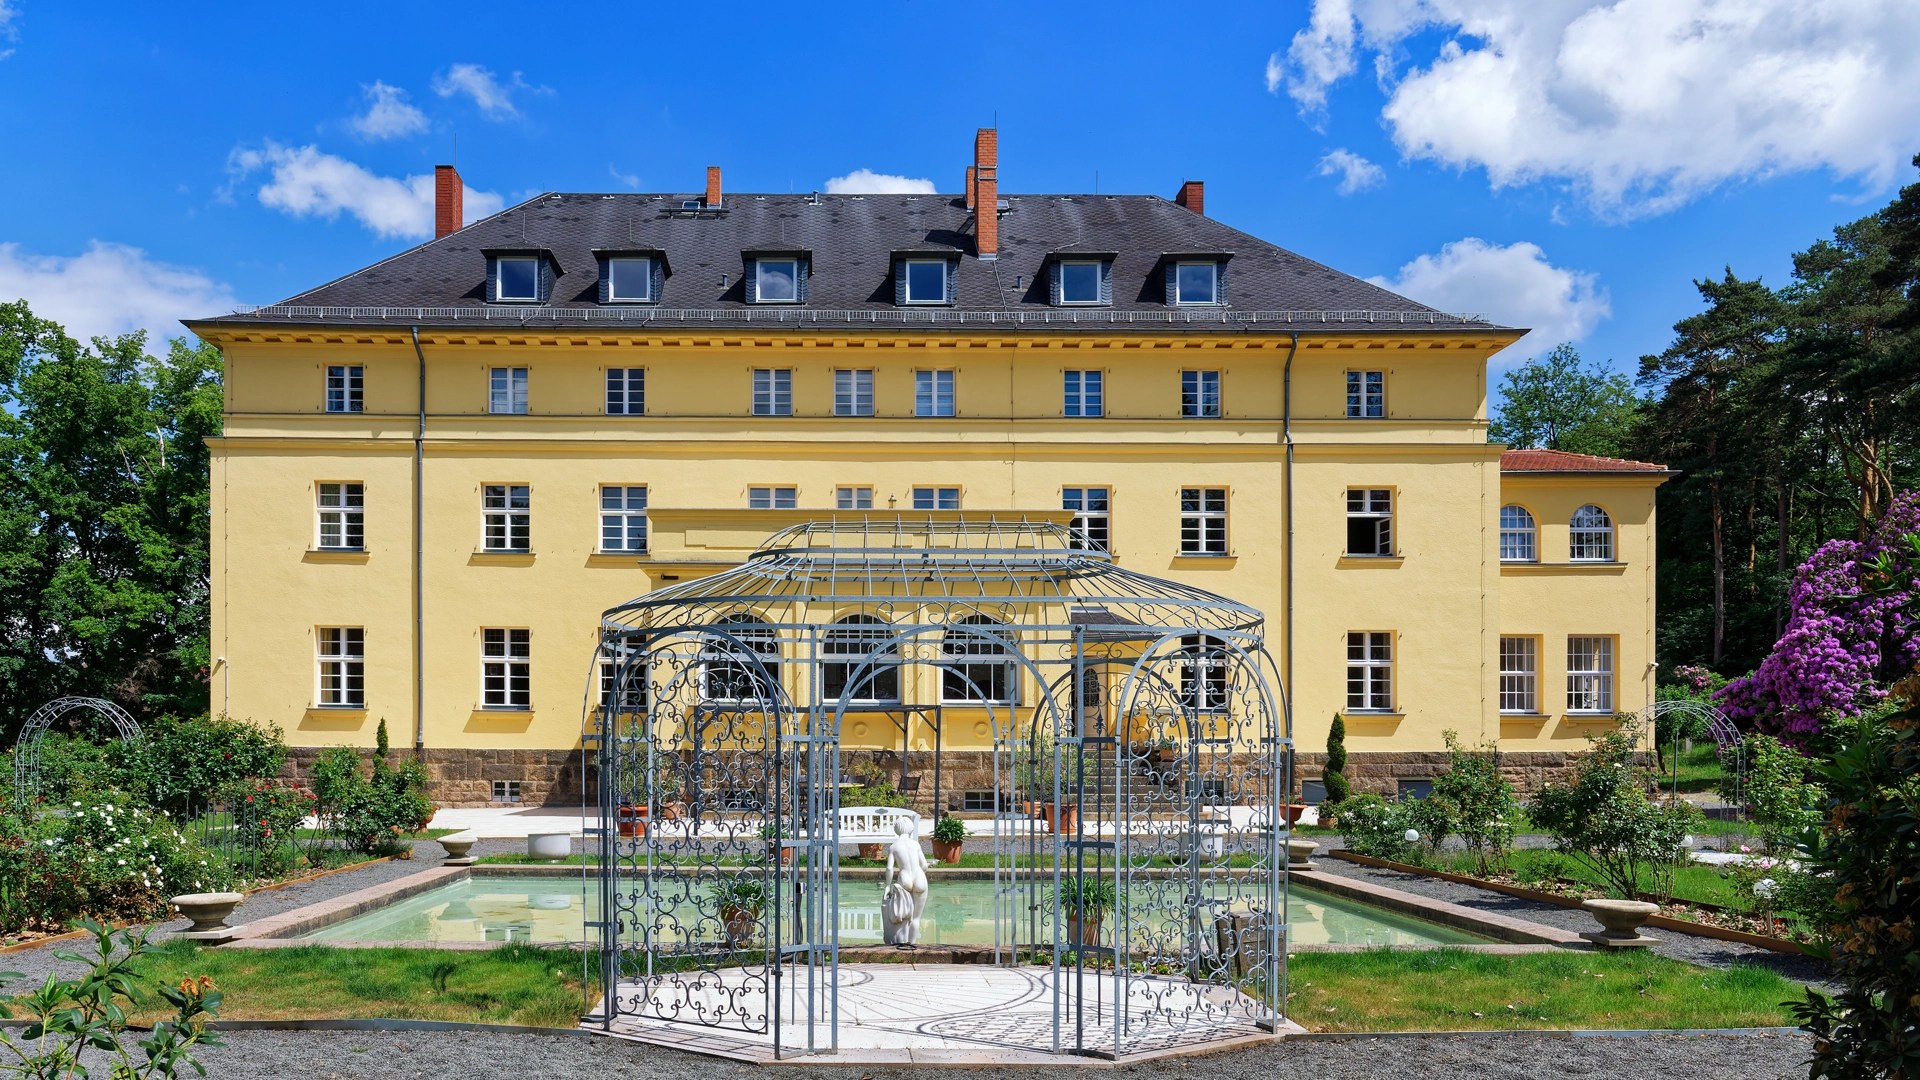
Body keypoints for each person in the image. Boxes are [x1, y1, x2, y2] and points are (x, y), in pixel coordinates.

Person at [881, 816, 928, 947]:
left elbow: (889, 868)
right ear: (910, 829)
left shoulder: (894, 847)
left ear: (896, 830)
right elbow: (924, 865)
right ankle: (912, 944)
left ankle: (902, 940)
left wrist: (887, 886)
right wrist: (920, 875)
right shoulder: (915, 844)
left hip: (905, 878)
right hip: (919, 877)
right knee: (916, 917)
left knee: (904, 912)